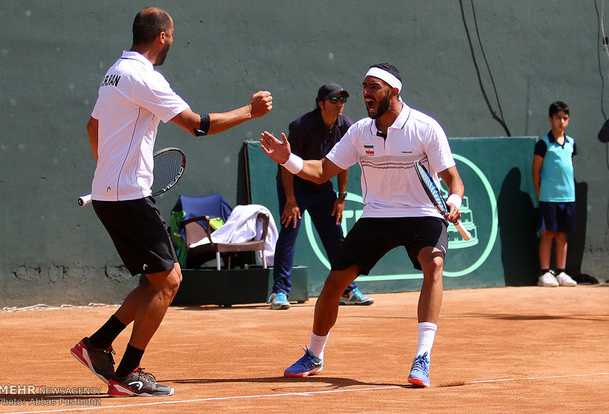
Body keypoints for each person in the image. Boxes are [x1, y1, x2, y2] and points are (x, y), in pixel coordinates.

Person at [70, 7, 272, 397]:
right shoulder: (145, 77)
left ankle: (96, 345)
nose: (173, 41)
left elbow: (93, 126)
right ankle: (126, 374)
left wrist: (110, 169)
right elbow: (198, 125)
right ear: (161, 36)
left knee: (155, 280)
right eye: (172, 35)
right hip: (128, 196)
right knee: (171, 281)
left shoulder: (113, 72)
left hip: (112, 194)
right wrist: (251, 111)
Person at [260, 63, 465, 387]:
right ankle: (314, 355)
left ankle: (422, 358)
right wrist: (288, 159)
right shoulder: (359, 132)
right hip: (377, 215)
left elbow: (454, 181)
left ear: (394, 92)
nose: (366, 94)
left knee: (434, 264)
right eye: (365, 87)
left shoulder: (426, 128)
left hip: (422, 213)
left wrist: (452, 203)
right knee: (333, 286)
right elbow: (321, 171)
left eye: (374, 87)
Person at [269, 82, 374, 310]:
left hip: (323, 189)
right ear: (321, 103)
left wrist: (341, 196)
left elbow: (344, 162)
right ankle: (279, 292)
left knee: (336, 237)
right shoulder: (301, 127)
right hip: (295, 189)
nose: (339, 105)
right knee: (288, 236)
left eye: (342, 100)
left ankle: (347, 290)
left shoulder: (346, 126)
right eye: (334, 100)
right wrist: (290, 200)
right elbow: (285, 164)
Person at [531, 101, 577, 287]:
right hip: (549, 198)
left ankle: (561, 271)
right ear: (550, 119)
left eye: (565, 118)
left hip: (569, 197)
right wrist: (540, 193)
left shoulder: (572, 143)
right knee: (548, 233)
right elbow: (535, 170)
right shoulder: (543, 144)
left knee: (562, 235)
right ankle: (545, 273)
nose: (561, 122)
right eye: (558, 118)